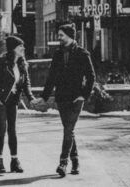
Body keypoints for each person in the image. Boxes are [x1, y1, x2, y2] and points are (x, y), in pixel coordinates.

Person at [40, 23, 96, 178]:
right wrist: (44, 97)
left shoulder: (82, 53)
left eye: (61, 35)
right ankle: (76, 161)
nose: (58, 38)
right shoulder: (58, 54)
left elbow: (91, 77)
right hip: (61, 97)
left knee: (69, 129)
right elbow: (51, 77)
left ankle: (63, 162)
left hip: (76, 98)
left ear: (69, 36)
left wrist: (84, 95)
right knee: (68, 130)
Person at [0, 35, 32, 175]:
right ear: (13, 49)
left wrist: (31, 98)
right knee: (2, 128)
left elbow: (26, 83)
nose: (23, 48)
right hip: (0, 100)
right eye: (20, 46)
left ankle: (14, 161)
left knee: (13, 130)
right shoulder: (1, 62)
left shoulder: (23, 63)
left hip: (13, 100)